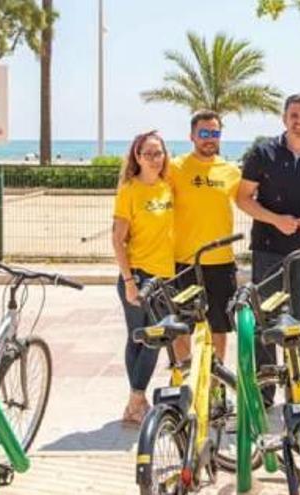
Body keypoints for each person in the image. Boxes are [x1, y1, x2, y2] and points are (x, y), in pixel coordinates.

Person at [236, 93, 300, 405]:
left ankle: (296, 386)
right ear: (284, 119)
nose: (299, 120)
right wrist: (275, 219)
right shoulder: (262, 152)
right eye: (294, 115)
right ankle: (264, 392)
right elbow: (242, 198)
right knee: (265, 318)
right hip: (268, 249)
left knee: (297, 318)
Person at [111, 130, 175, 424]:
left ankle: (135, 402)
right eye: (147, 153)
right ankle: (137, 400)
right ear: (137, 157)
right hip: (137, 275)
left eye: (158, 153)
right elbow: (117, 239)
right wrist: (129, 281)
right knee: (139, 338)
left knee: (155, 337)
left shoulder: (167, 186)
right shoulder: (129, 190)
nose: (154, 159)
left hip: (164, 277)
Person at [169, 110, 241, 362]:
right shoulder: (175, 168)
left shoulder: (231, 171)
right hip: (184, 263)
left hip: (222, 263)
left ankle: (217, 386)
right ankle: (188, 383)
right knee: (182, 327)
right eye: (204, 133)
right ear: (192, 136)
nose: (210, 138)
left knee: (220, 328)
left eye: (215, 133)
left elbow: (248, 202)